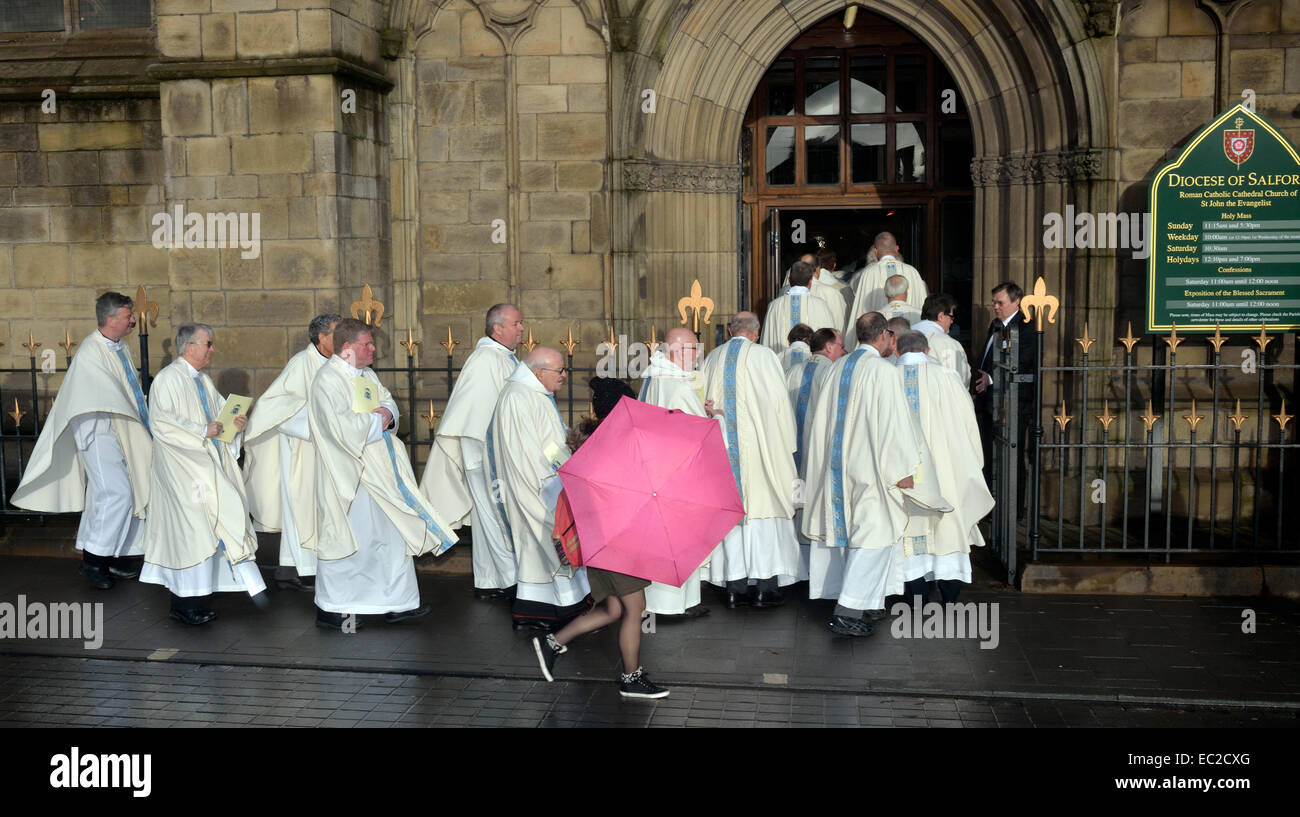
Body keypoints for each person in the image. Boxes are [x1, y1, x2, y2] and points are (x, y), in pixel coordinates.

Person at [801, 313, 947, 637]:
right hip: (872, 470)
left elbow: (819, 421)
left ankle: (865, 603)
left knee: (854, 539)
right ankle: (848, 611)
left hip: (838, 468)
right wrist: (903, 471)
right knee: (874, 540)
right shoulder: (883, 371)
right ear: (883, 335)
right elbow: (895, 425)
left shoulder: (836, 367)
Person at [308, 318, 456, 630]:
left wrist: (387, 413)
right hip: (353, 476)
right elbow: (341, 429)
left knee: (390, 537)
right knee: (349, 540)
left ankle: (396, 602)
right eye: (367, 344)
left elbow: (386, 402)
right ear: (347, 348)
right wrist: (378, 420)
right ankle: (334, 608)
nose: (374, 349)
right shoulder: (327, 381)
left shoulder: (366, 374)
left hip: (382, 472)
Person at [532, 377, 670, 700]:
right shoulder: (613, 446)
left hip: (600, 541)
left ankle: (552, 642)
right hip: (617, 541)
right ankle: (631, 678)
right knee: (635, 608)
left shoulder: (594, 443)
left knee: (613, 610)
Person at [12, 292, 153, 590]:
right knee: (116, 495)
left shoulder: (119, 347)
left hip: (120, 431)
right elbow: (100, 395)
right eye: (128, 316)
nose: (132, 321)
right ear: (111, 319)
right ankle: (93, 562)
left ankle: (114, 554)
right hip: (98, 432)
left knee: (108, 495)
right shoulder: (91, 352)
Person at [139, 323, 266, 625]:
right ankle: (183, 603)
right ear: (189, 347)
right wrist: (201, 431)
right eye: (207, 344)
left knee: (208, 527)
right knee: (190, 530)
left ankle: (198, 596)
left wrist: (235, 424)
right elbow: (161, 423)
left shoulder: (202, 381)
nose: (211, 349)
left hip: (202, 465)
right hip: (180, 469)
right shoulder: (168, 380)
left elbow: (220, 419)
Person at [420, 303, 525, 600]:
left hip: (490, 451)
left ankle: (488, 580)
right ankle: (510, 580)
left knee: (486, 514)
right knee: (496, 514)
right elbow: (477, 412)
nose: (521, 328)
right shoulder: (486, 360)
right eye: (516, 323)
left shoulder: (501, 358)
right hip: (484, 452)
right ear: (497, 328)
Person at [699, 312, 801, 608]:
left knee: (732, 517)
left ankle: (734, 587)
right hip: (760, 454)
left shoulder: (713, 357)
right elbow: (779, 404)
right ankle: (765, 588)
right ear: (756, 334)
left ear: (731, 331)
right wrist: (786, 445)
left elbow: (702, 403)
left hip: (722, 453)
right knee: (762, 513)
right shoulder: (764, 356)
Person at [490, 347, 592, 630]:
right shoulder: (518, 397)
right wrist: (554, 483)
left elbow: (547, 442)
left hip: (549, 480)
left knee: (539, 548)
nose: (564, 375)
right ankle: (559, 608)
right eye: (559, 370)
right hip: (536, 486)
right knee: (548, 543)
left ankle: (538, 608)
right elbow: (526, 453)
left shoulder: (533, 393)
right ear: (538, 373)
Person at [242, 313, 341, 592]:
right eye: (336, 333)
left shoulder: (340, 363)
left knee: (319, 510)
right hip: (302, 449)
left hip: (328, 450)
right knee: (301, 507)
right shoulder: (301, 364)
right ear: (321, 338)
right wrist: (316, 421)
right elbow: (274, 407)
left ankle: (294, 567)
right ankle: (303, 569)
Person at [894, 331, 993, 604]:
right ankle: (949, 592)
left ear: (897, 351)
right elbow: (969, 427)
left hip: (903, 473)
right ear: (927, 351)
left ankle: (915, 593)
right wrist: (971, 463)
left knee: (908, 528)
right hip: (945, 469)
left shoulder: (887, 376)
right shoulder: (947, 377)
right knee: (948, 528)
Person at [637, 327, 717, 619]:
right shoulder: (678, 386)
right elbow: (697, 436)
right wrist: (714, 420)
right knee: (676, 539)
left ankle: (687, 600)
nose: (698, 355)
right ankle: (669, 605)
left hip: (658, 470)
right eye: (693, 349)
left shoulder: (655, 378)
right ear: (676, 351)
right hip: (677, 474)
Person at [785, 327, 844, 577]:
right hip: (818, 451)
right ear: (829, 347)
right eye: (840, 346)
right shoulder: (831, 371)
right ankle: (815, 571)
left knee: (797, 500)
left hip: (793, 449)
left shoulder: (793, 371)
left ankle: (795, 567)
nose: (842, 351)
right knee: (814, 504)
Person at [973, 281, 1036, 510]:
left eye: (1000, 303)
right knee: (989, 457)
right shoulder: (995, 325)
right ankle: (991, 507)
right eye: (994, 303)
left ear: (1016, 301)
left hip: (1013, 404)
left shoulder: (1027, 328)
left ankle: (1015, 509)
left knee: (1014, 459)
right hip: (990, 402)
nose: (996, 307)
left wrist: (990, 379)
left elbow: (1023, 361)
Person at [847, 232, 927, 348]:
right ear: (897, 249)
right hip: (912, 342)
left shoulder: (869, 273)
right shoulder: (912, 272)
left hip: (878, 342)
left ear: (875, 251)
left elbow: (860, 310)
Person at [760, 260, 840, 353]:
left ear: (789, 280)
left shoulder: (774, 306)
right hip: (813, 364)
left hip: (781, 364)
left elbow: (767, 341)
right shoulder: (821, 305)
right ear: (811, 281)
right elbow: (829, 340)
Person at [914, 293, 971, 388]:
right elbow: (958, 380)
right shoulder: (948, 344)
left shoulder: (904, 337)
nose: (952, 321)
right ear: (940, 316)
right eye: (951, 317)